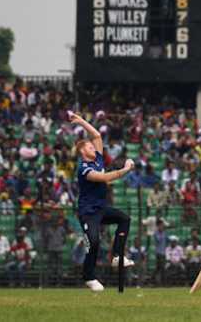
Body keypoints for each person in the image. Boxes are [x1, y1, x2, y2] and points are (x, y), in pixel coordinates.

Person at [72, 112, 135, 292]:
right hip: (88, 212)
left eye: (93, 147)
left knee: (124, 219)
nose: (94, 148)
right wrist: (126, 169)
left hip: (100, 208)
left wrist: (81, 121)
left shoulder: (98, 158)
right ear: (82, 151)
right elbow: (105, 177)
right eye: (90, 147)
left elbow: (97, 135)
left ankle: (117, 256)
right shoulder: (84, 168)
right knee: (94, 242)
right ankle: (89, 277)